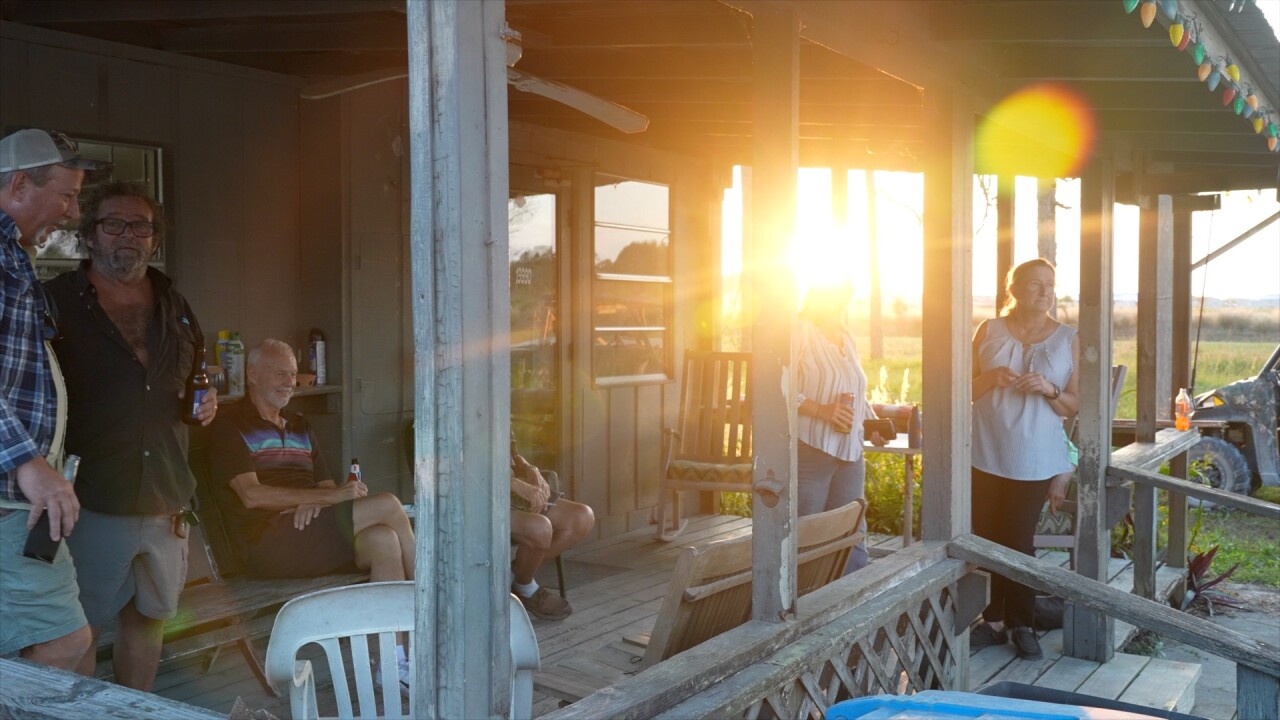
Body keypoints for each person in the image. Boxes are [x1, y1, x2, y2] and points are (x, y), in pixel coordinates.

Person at [43, 180, 218, 689]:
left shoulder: (175, 305)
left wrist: (205, 402)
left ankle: (133, 711)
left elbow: (195, 377)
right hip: (90, 499)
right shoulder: (54, 302)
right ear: (89, 235)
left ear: (155, 239)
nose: (128, 235)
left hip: (166, 496)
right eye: (113, 224)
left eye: (141, 226)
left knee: (148, 619)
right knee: (79, 630)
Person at [208, 339, 417, 691]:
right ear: (253, 375)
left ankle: (391, 662)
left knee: (383, 540)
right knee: (388, 505)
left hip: (309, 532)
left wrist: (314, 500)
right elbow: (252, 495)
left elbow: (327, 487)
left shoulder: (300, 425)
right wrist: (321, 498)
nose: (289, 382)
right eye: (280, 373)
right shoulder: (230, 428)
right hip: (266, 543)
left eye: (292, 374)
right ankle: (433, 611)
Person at [0, 128, 99, 669]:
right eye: (66, 195)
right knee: (64, 641)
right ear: (19, 185)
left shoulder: (12, 255)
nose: (73, 212)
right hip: (11, 495)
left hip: (16, 496)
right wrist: (28, 463)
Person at [970, 258, 1080, 660]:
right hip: (983, 451)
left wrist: (1050, 389)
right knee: (987, 538)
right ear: (1013, 289)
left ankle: (1021, 623)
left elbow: (1073, 405)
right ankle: (995, 621)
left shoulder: (1068, 338)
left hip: (1034, 457)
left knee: (1016, 541)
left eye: (1050, 284)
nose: (1046, 291)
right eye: (1036, 284)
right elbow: (959, 389)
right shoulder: (988, 330)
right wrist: (988, 379)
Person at [793, 281, 888, 574]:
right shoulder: (798, 330)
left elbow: (856, 390)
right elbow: (778, 386)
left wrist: (870, 423)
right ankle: (803, 593)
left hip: (850, 448)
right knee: (807, 530)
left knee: (852, 530)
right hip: (813, 445)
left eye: (844, 296)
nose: (840, 302)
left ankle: (855, 591)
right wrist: (822, 410)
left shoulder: (846, 337)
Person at [510, 445, 594, 620]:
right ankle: (525, 589)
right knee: (540, 528)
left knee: (581, 517)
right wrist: (513, 483)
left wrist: (530, 469)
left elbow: (513, 452)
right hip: (481, 499)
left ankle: (516, 579)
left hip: (514, 495)